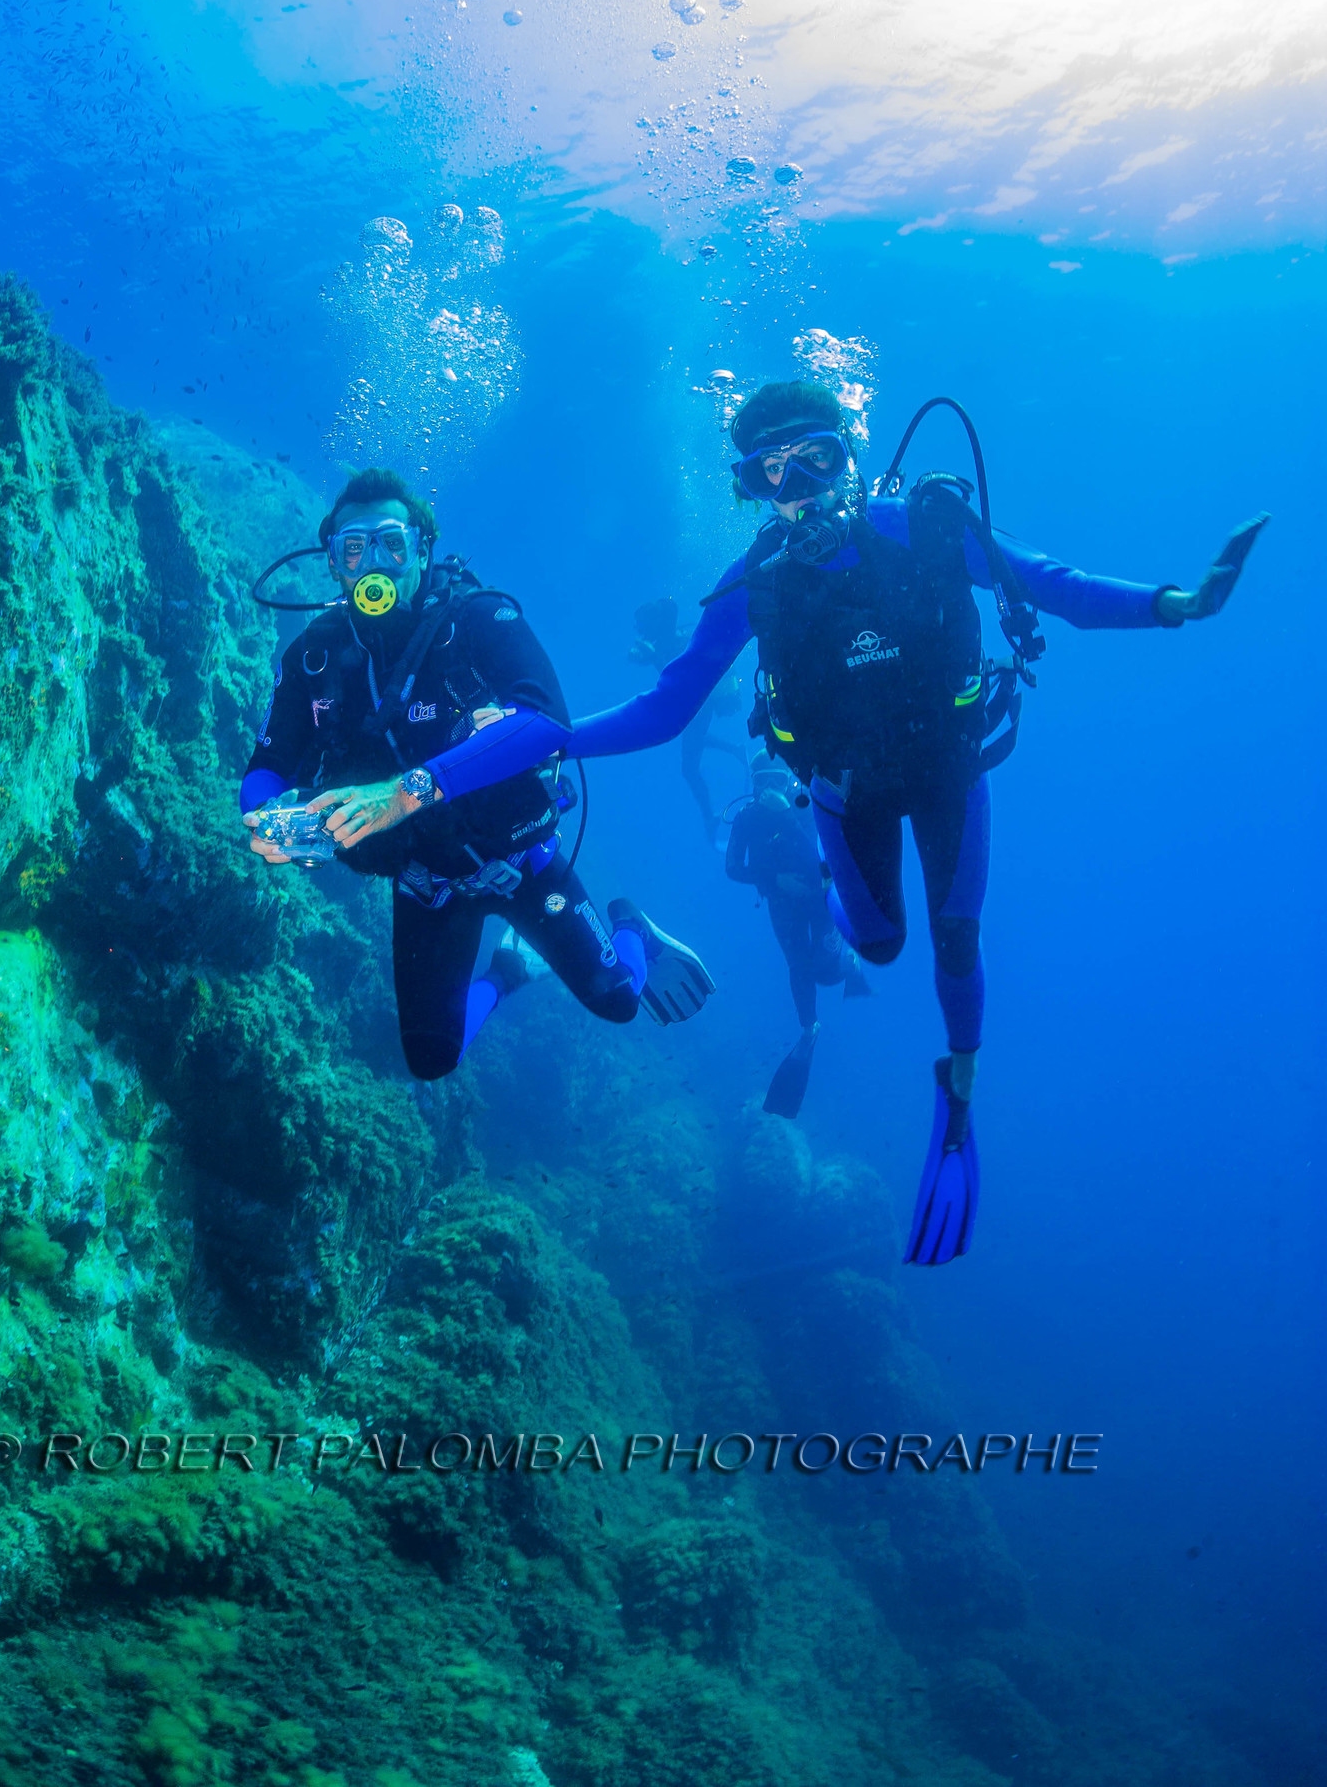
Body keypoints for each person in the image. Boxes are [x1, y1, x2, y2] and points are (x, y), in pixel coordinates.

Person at [328, 387, 1267, 1265]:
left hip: (948, 777)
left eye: (812, 464)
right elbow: (663, 709)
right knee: (880, 944)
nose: (795, 495)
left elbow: (1048, 581)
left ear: (850, 459)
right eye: (768, 478)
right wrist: (544, 743)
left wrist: (1174, 605)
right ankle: (832, 898)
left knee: (954, 943)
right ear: (751, 491)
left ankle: (961, 1089)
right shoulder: (757, 584)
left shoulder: (928, 528)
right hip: (839, 794)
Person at [240, 468, 716, 1080]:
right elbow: (267, 767)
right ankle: (509, 974)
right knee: (432, 1060)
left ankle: (630, 925)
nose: (374, 564)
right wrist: (269, 817)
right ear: (333, 563)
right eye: (353, 548)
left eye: (392, 541)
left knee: (621, 998)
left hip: (519, 863)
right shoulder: (313, 658)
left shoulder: (477, 619)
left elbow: (547, 720)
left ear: (423, 547)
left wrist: (403, 793)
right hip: (423, 884)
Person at [725, 756, 863, 1118]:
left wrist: (787, 815)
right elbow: (732, 867)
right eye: (761, 782)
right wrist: (774, 882)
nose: (768, 790)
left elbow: (821, 857)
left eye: (776, 780)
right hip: (782, 904)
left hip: (819, 899)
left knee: (828, 972)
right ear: (752, 785)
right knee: (798, 965)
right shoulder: (746, 817)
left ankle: (847, 961)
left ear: (789, 782)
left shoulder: (805, 806)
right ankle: (809, 1027)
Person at [631, 596, 745, 838]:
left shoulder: (677, 644)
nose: (639, 629)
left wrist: (653, 656)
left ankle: (709, 818)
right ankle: (735, 749)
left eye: (643, 624)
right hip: (692, 707)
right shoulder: (666, 642)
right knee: (691, 740)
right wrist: (647, 655)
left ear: (655, 623)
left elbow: (680, 677)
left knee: (689, 768)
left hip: (698, 707)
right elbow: (640, 659)